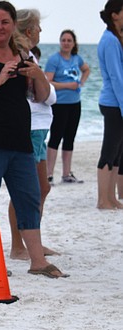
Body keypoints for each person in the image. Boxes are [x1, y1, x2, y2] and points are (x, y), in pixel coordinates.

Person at [0, 1, 67, 278]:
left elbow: (40, 97)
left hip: (20, 142)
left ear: (13, 25)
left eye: (5, 22)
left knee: (29, 199)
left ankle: (38, 262)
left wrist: (38, 74)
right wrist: (0, 77)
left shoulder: (21, 52)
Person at [8, 10, 58, 260]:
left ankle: (29, 242)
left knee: (40, 188)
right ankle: (19, 246)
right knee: (31, 189)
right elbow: (46, 96)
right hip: (31, 129)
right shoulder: (23, 58)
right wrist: (45, 86)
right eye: (38, 27)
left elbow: (46, 95)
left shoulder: (28, 56)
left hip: (38, 129)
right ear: (29, 31)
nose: (41, 31)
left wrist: (45, 87)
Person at [45, 30, 90, 184]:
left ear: (73, 43)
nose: (66, 43)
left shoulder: (76, 59)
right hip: (59, 104)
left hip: (75, 104)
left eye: (69, 40)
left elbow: (87, 69)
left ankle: (66, 174)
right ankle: (48, 174)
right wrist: (68, 85)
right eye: (63, 40)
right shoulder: (54, 59)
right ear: (60, 42)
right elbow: (47, 82)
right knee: (55, 138)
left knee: (70, 139)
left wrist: (81, 82)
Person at [96, 1, 123, 210]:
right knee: (109, 151)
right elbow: (116, 77)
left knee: (117, 153)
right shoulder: (110, 41)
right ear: (115, 15)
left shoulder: (115, 38)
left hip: (117, 102)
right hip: (113, 103)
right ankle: (102, 200)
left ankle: (111, 197)